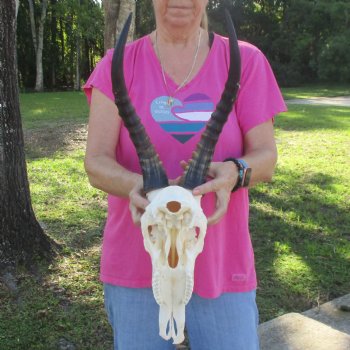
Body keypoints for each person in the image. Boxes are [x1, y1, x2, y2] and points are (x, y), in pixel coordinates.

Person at [83, 1, 287, 349]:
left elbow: (266, 158)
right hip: (136, 269)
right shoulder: (117, 64)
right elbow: (96, 162)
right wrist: (137, 186)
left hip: (222, 268)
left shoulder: (245, 60)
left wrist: (234, 172)